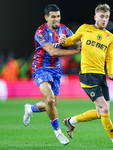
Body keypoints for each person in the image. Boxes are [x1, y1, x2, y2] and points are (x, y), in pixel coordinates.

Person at [59, 3, 113, 148]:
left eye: (107, 17)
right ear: (95, 17)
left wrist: (111, 73)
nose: (104, 20)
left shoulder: (110, 37)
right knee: (105, 109)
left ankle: (70, 121)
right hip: (87, 75)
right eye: (102, 16)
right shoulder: (85, 28)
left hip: (101, 76)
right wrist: (63, 41)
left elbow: (110, 57)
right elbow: (70, 41)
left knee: (101, 112)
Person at [23, 4, 81, 145]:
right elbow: (52, 51)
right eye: (53, 17)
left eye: (58, 16)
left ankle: (30, 108)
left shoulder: (64, 29)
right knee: (49, 100)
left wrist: (68, 42)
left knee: (52, 105)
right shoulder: (40, 32)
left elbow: (77, 42)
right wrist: (73, 51)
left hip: (55, 70)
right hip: (40, 68)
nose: (56, 19)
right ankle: (58, 132)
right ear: (46, 17)